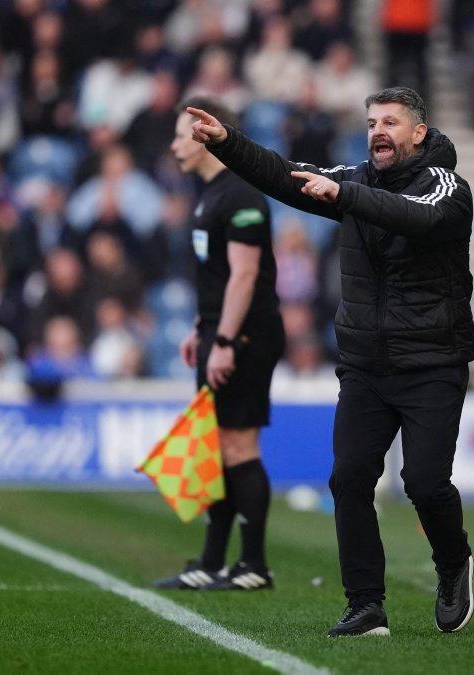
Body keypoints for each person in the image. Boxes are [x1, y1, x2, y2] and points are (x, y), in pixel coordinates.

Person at [184, 86, 474, 636]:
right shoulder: (356, 180)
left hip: (432, 362)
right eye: (371, 123)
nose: (377, 132)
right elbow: (283, 175)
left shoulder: (446, 186)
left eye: (390, 122)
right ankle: (365, 604)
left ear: (418, 133)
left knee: (425, 484)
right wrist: (227, 142)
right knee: (348, 479)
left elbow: (417, 219)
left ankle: (453, 560)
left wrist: (344, 196)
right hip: (365, 365)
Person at [154, 96, 285, 592]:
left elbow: (245, 275)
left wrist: (226, 339)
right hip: (219, 331)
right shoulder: (209, 195)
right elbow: (216, 276)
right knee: (216, 446)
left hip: (245, 335)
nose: (174, 145)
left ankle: (254, 565)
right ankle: (211, 561)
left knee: (238, 444)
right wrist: (201, 327)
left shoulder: (242, 196)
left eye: (179, 135)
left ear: (205, 134)